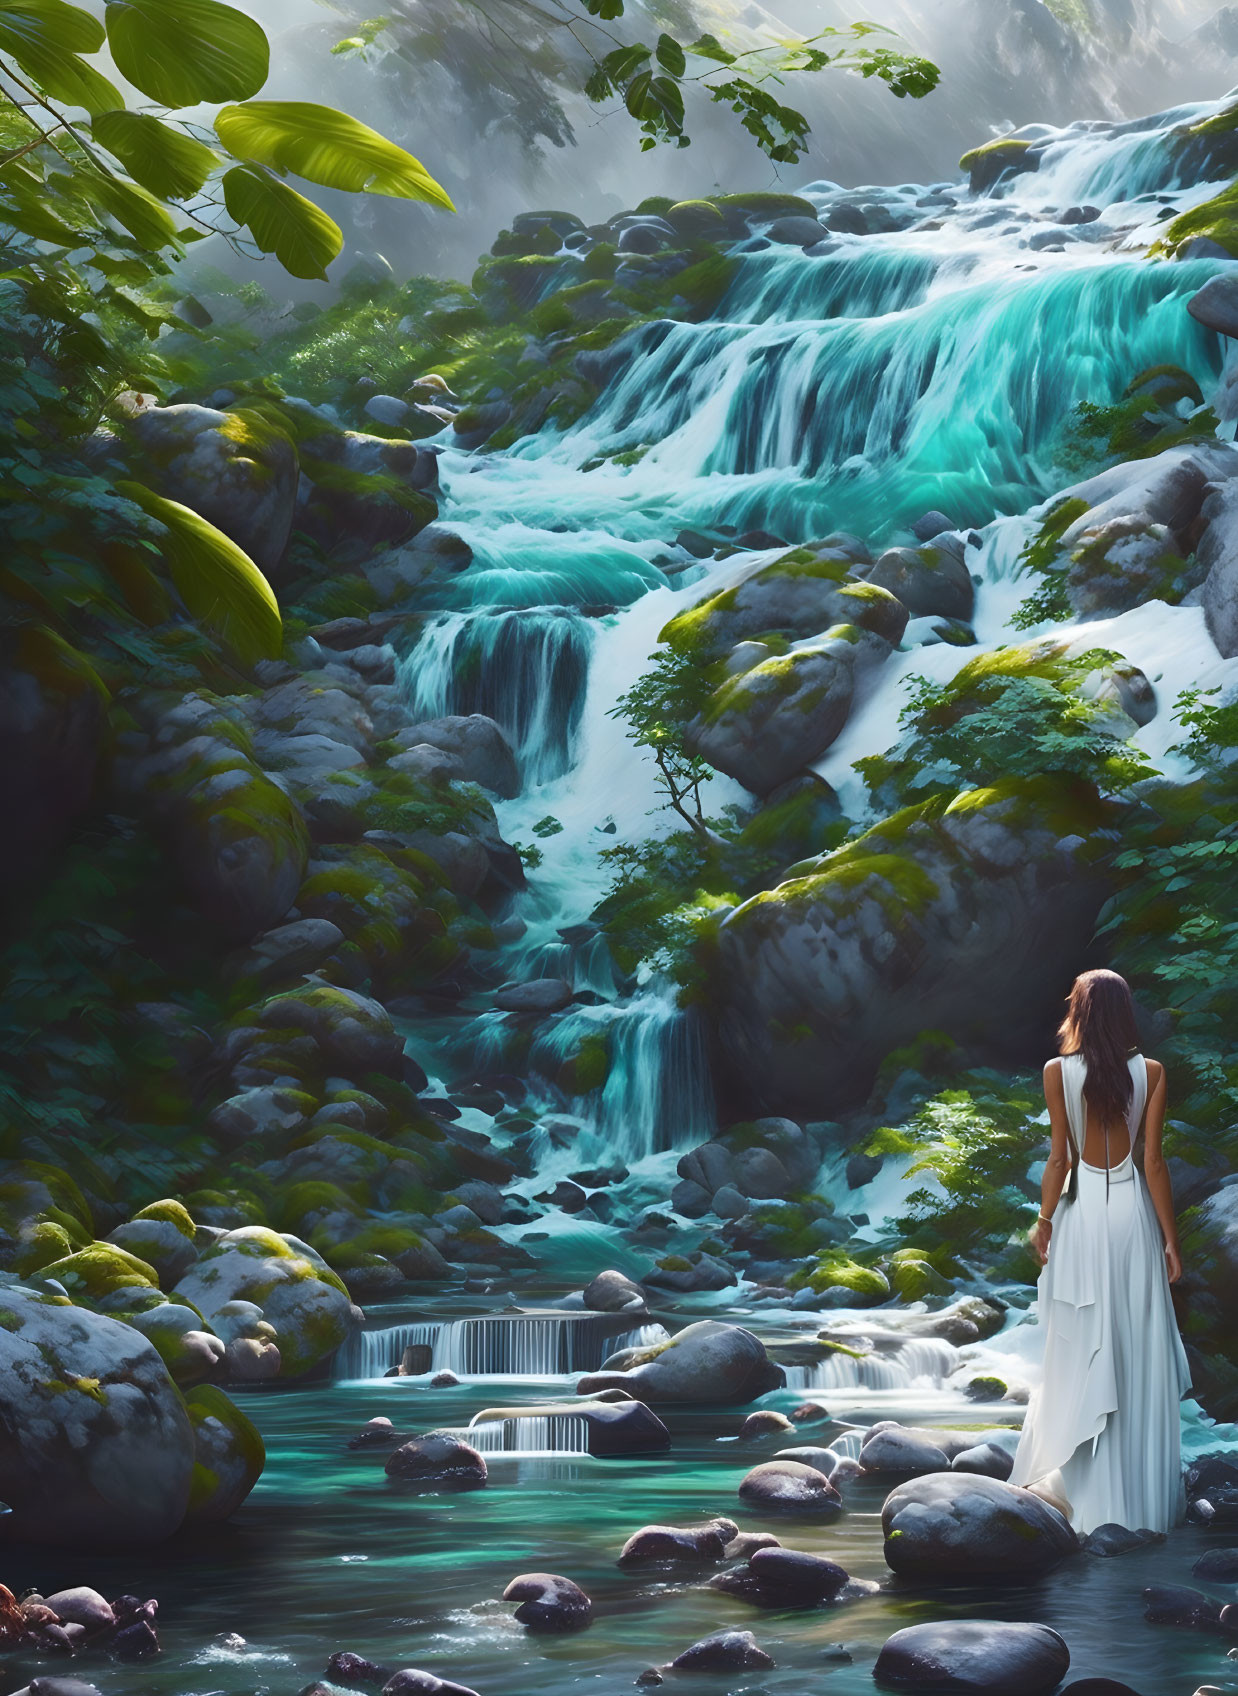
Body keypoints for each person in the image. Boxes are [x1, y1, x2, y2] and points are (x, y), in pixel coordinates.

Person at [1008, 967, 1191, 1535]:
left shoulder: (1057, 1072)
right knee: (1135, 1347)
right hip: (1131, 1215)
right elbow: (1153, 1162)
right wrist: (1170, 1239)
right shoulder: (1153, 1072)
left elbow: (1059, 1159)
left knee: (1086, 1341)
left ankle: (1088, 1498)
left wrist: (1042, 1222)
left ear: (1080, 1012)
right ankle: (1140, 1506)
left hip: (1083, 1218)